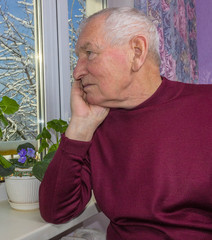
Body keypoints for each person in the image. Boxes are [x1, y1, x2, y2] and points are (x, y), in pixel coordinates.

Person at [39, 7, 212, 240]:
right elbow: (56, 211)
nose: (77, 71)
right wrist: (80, 126)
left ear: (136, 52)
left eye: (89, 53)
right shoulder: (97, 125)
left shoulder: (205, 106)